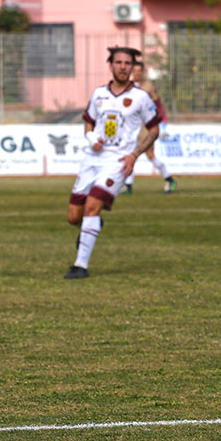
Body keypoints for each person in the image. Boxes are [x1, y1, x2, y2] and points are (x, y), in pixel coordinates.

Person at [63, 47, 160, 279]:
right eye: (119, 62)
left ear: (133, 68)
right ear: (111, 65)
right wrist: (91, 138)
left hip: (118, 161)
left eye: (128, 63)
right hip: (92, 160)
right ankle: (92, 226)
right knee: (74, 217)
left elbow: (154, 129)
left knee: (92, 207)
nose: (123, 67)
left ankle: (80, 266)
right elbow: (89, 123)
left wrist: (134, 155)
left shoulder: (141, 97)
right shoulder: (98, 94)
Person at [122, 48, 175, 196]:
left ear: (143, 71)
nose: (137, 73)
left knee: (149, 154)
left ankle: (169, 178)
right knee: (130, 153)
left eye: (139, 71)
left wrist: (163, 123)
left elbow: (158, 105)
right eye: (135, 70)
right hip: (133, 126)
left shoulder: (149, 87)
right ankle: (128, 185)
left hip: (147, 126)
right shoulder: (129, 86)